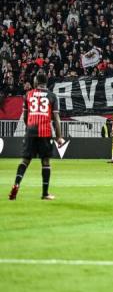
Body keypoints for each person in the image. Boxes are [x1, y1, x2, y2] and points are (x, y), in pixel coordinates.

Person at [10, 71, 64, 200]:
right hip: (45, 131)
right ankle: (45, 193)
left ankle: (16, 184)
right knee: (45, 161)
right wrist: (59, 136)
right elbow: (56, 118)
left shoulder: (28, 95)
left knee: (25, 161)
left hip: (31, 131)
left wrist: (29, 127)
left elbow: (25, 116)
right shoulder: (52, 96)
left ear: (37, 82)